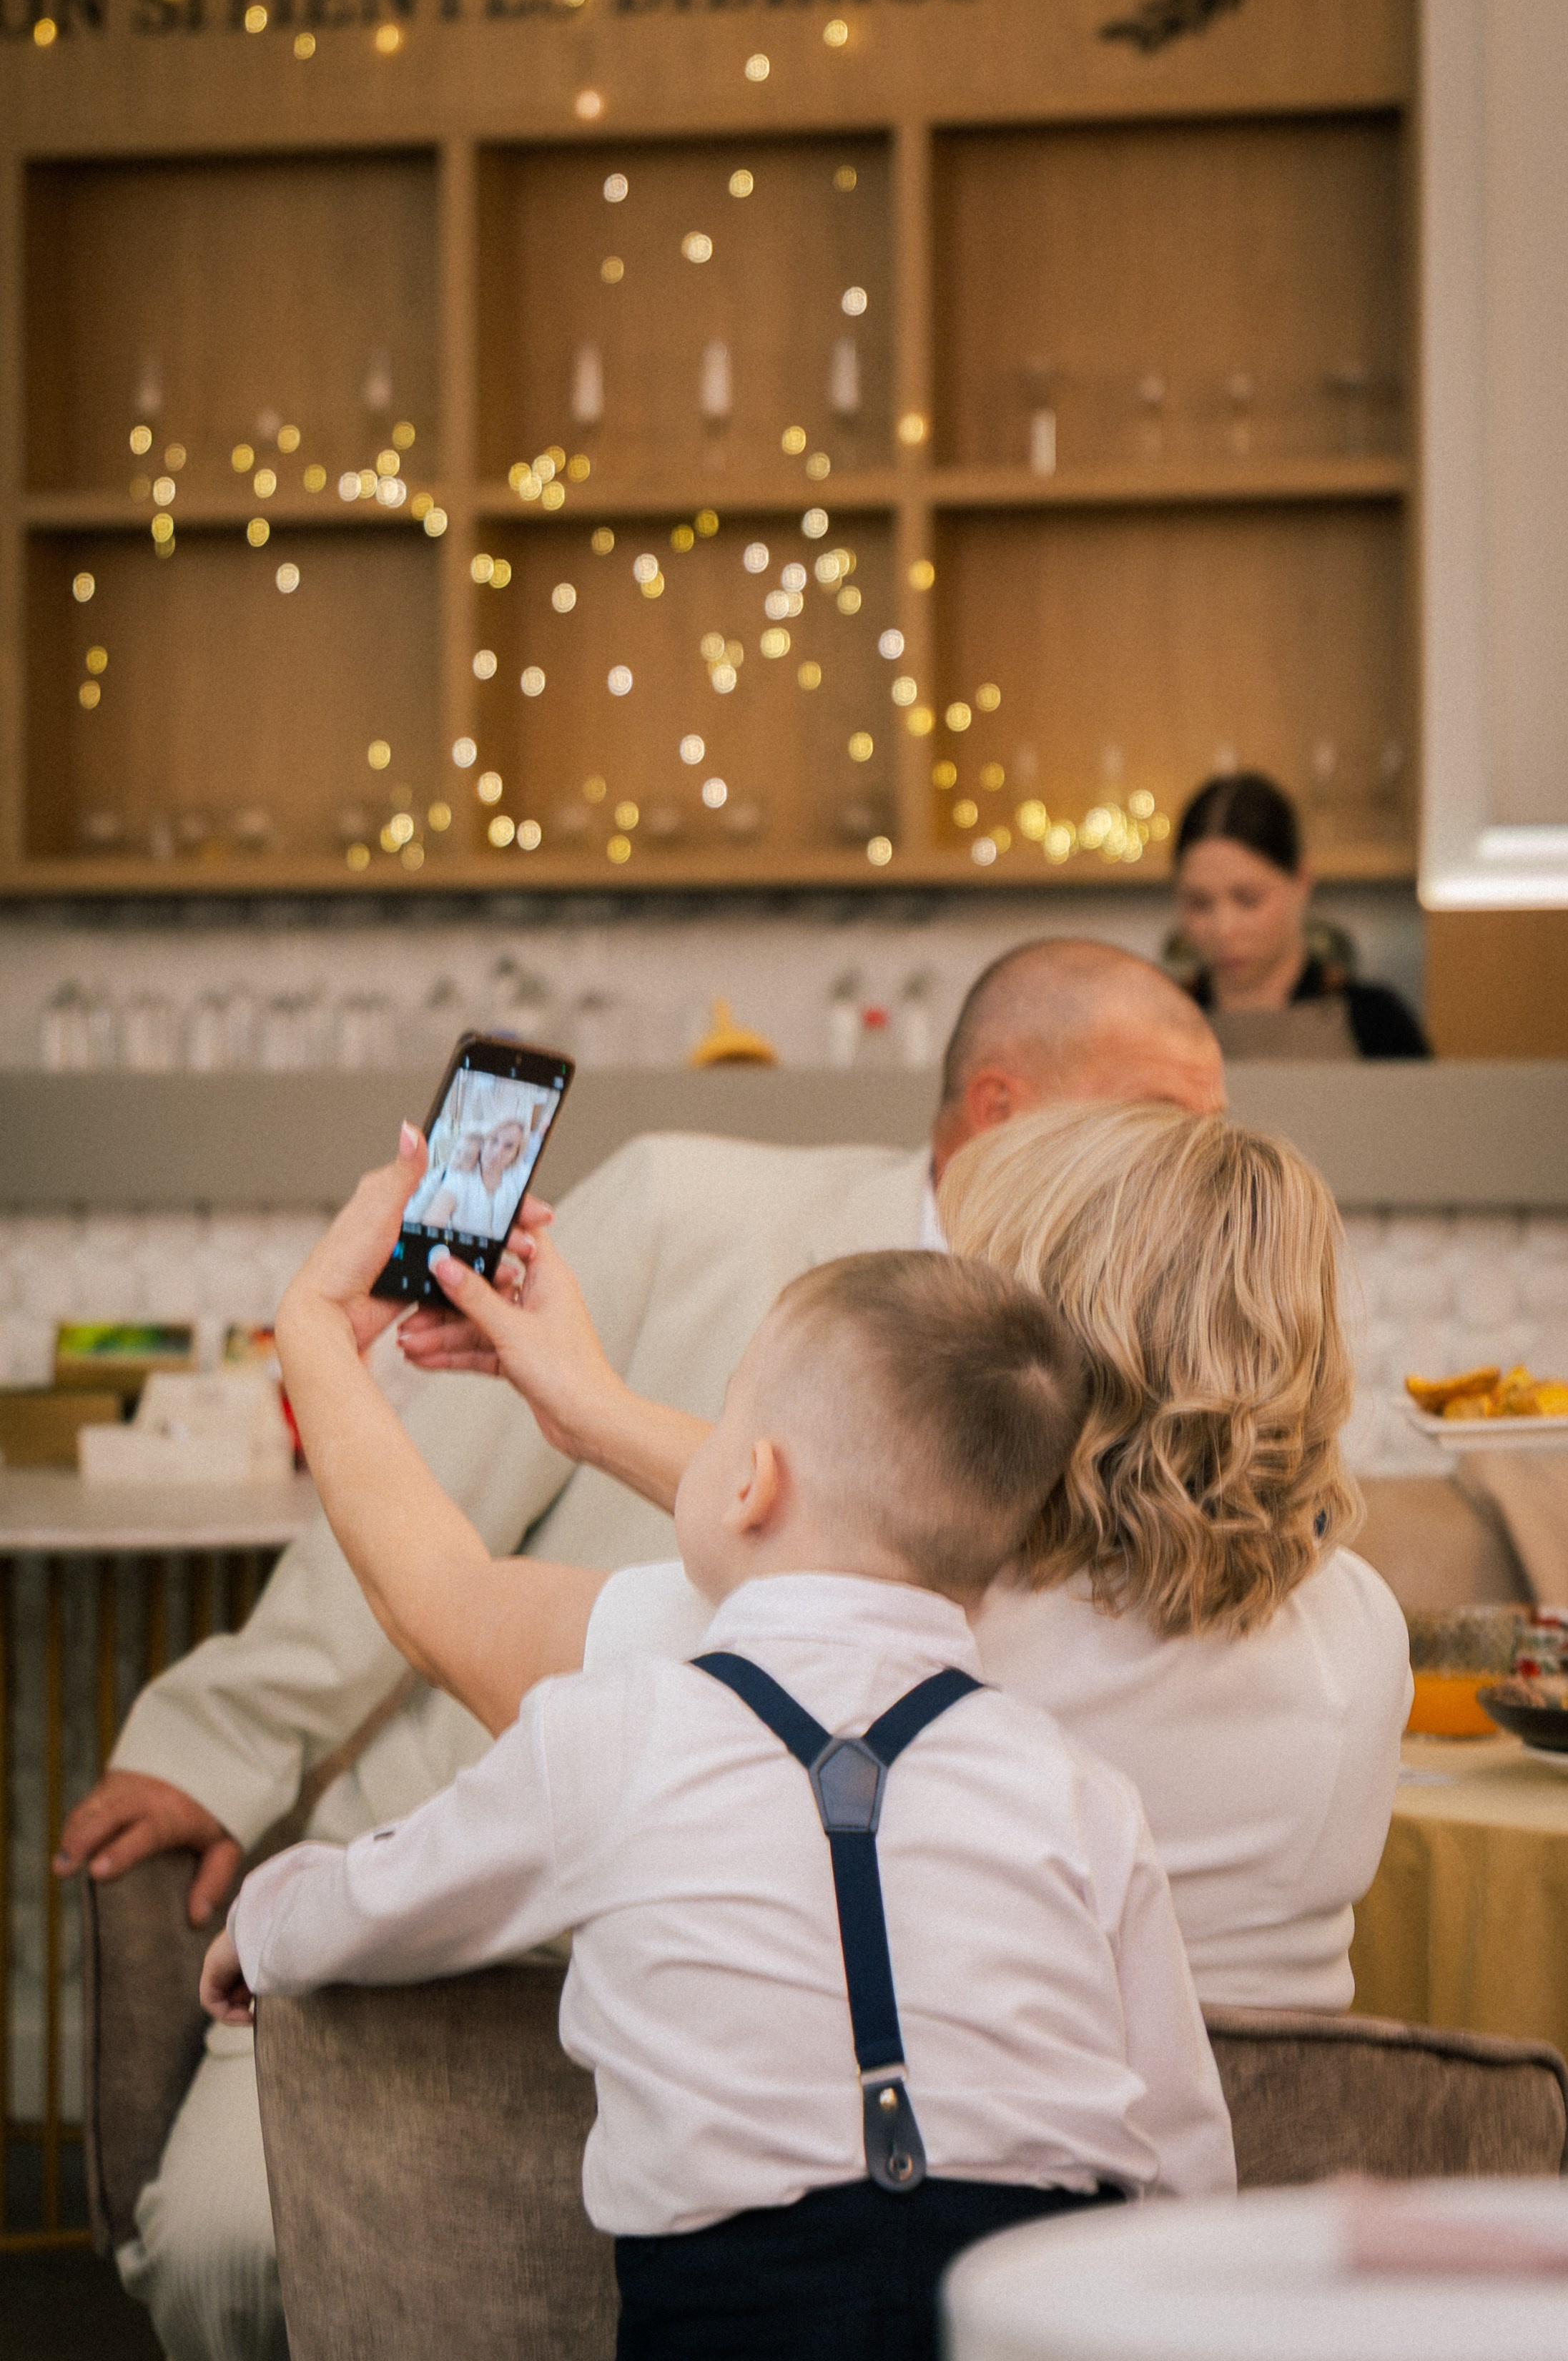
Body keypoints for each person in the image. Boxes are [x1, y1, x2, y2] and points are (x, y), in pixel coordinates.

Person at [56, 937, 1224, 2361]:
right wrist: (226, 1741)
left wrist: (315, 1329)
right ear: (999, 1105)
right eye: (1171, 1119)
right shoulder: (689, 1203)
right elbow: (439, 1516)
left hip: (747, 2145)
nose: (1201, 1162)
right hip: (477, 1894)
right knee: (231, 2251)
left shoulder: (1139, 1358)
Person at [203, 1216, 1234, 2361]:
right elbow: (1185, 2150)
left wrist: (262, 1919)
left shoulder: (611, 1731)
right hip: (1048, 2303)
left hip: (746, 2309)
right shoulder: (1076, 1785)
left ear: (750, 1483)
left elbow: (383, 1900)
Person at [286, 1101, 1410, 2020]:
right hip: (1238, 2246)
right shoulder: (1360, 1634)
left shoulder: (833, 1648)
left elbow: (444, 1600)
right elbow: (875, 1520)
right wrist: (599, 1412)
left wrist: (317, 1333)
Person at [1173, 772, 1430, 1057]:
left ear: (1301, 882)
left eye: (1248, 900)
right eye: (1199, 903)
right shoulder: (1156, 1020)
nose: (1224, 929)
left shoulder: (1376, 1021)